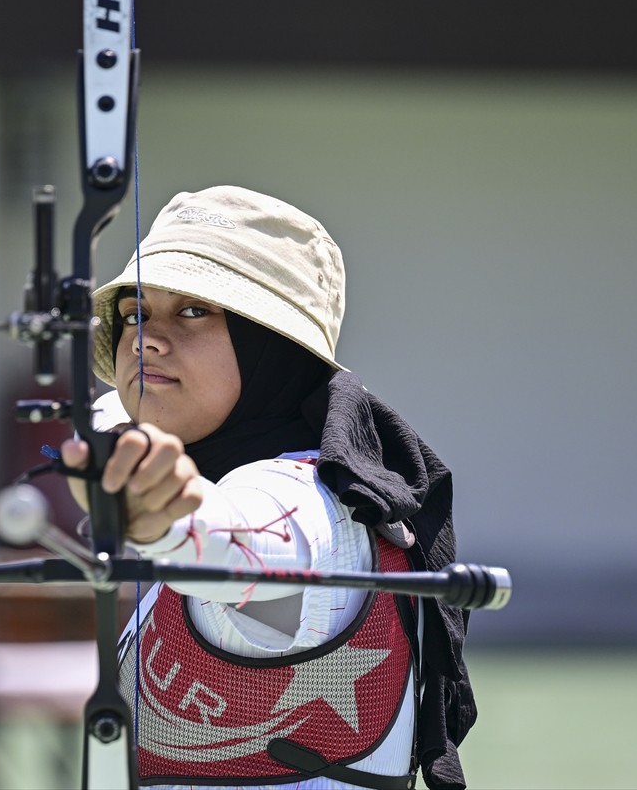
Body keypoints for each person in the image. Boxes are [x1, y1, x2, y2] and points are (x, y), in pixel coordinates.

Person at [60, 186, 475, 790]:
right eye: (135, 314)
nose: (146, 339)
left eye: (195, 311)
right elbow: (110, 412)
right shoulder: (213, 458)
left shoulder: (316, 500)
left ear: (271, 349)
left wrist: (165, 520)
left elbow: (243, 543)